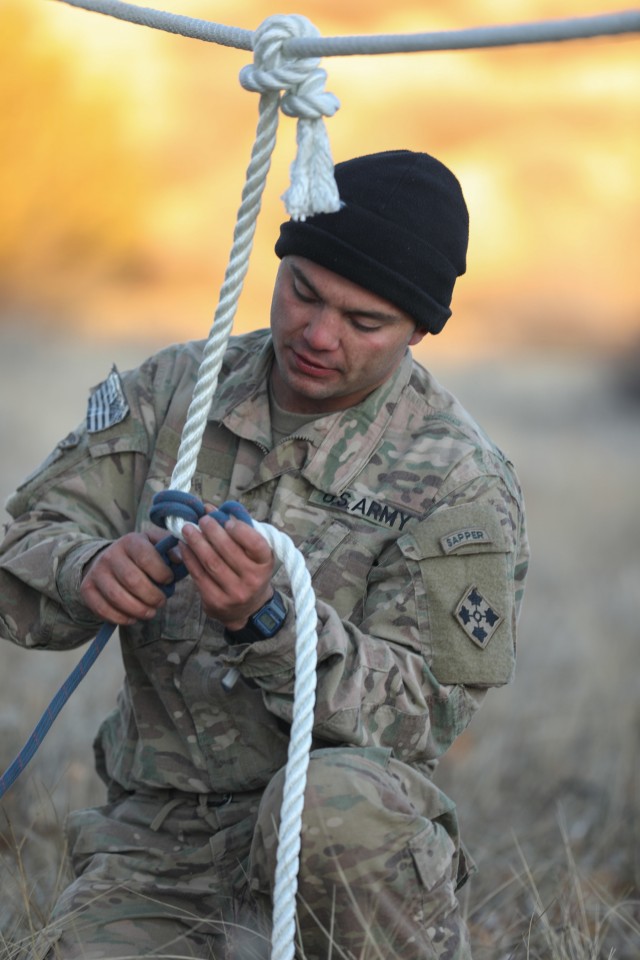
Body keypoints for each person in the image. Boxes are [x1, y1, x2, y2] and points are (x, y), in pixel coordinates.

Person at [0, 149, 529, 959]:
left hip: (339, 845)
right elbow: (21, 547)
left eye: (363, 322)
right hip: (158, 838)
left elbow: (426, 711)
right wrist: (87, 571)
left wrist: (271, 624)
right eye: (304, 292)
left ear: (421, 329)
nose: (317, 335)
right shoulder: (176, 390)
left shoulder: (460, 479)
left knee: (330, 802)